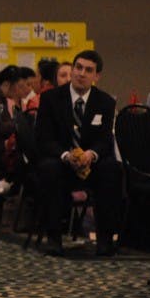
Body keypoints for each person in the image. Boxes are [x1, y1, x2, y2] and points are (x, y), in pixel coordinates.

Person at [34, 50, 122, 256]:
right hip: (61, 160)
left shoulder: (106, 102)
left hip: (92, 163)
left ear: (96, 76)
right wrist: (66, 155)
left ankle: (105, 240)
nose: (81, 73)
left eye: (88, 70)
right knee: (49, 168)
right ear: (73, 70)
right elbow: (43, 138)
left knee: (112, 169)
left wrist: (90, 155)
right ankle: (54, 238)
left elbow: (105, 140)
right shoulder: (50, 99)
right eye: (78, 68)